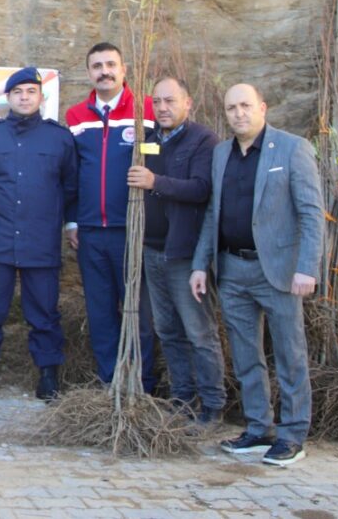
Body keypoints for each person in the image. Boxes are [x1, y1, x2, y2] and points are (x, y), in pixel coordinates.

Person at [191, 83, 323, 467]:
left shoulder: (292, 148)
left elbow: (312, 214)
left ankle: (293, 434)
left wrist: (306, 268)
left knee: (289, 354)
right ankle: (258, 428)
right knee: (246, 355)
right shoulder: (220, 154)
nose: (239, 114)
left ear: (262, 107)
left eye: (246, 105)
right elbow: (213, 213)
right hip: (232, 270)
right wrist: (201, 264)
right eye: (232, 108)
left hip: (278, 271)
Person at [0, 67, 77, 402]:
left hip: (41, 242)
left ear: (41, 97)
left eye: (31, 91)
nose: (25, 97)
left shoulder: (59, 138)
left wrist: (66, 222)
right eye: (18, 92)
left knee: (44, 312)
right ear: (8, 98)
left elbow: (70, 187)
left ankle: (48, 376)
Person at [127, 77, 226, 423]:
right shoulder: (150, 141)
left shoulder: (203, 141)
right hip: (152, 251)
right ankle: (182, 399)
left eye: (170, 101)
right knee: (167, 330)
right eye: (157, 102)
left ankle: (212, 404)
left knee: (198, 332)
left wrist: (156, 182)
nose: (163, 108)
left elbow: (201, 189)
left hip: (184, 255)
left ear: (188, 103)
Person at [65, 42, 157, 392]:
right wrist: (72, 221)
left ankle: (142, 385)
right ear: (89, 72)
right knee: (101, 313)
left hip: (132, 230)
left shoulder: (145, 111)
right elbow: (72, 175)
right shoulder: (76, 117)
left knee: (138, 313)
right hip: (90, 232)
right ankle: (110, 384)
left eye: (110, 64)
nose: (104, 71)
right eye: (97, 66)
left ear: (124, 68)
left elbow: (159, 162)